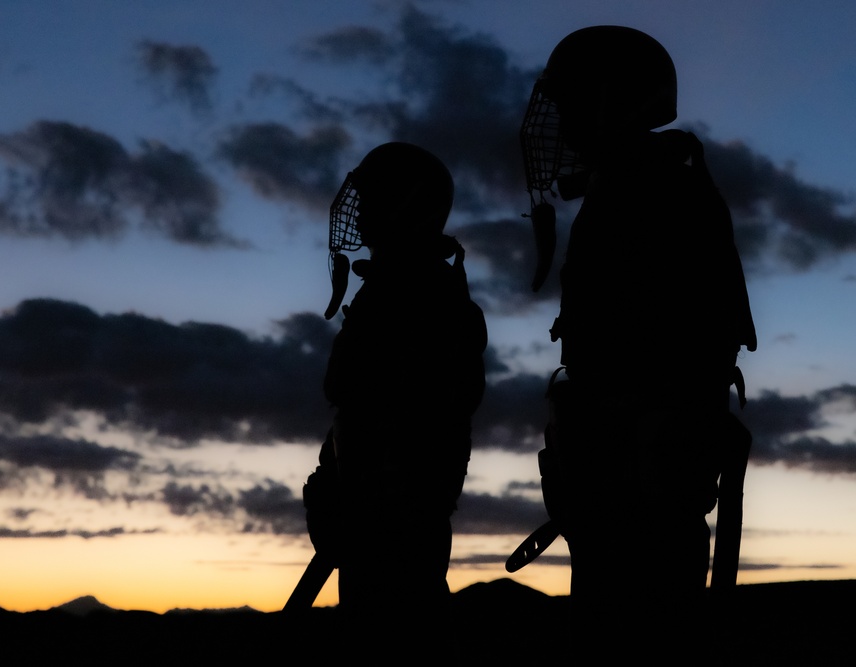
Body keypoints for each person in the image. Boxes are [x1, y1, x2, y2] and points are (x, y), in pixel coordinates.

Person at [518, 26, 757, 654]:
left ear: (612, 102)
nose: (558, 123)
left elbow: (672, 362)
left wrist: (627, 450)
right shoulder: (634, 192)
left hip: (641, 498)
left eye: (571, 103)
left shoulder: (656, 198)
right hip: (622, 490)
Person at [305, 142, 487, 654]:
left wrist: (372, 504)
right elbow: (359, 407)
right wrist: (335, 482)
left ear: (402, 206)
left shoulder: (419, 296)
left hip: (394, 533)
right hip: (376, 525)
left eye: (371, 199)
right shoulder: (398, 289)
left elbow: (414, 421)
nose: (357, 212)